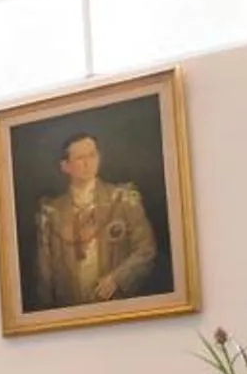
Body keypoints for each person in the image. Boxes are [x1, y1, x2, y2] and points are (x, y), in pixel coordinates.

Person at [31, 130, 161, 308]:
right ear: (65, 166)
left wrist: (117, 279)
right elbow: (45, 275)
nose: (88, 163)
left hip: (117, 308)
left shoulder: (122, 199)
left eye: (92, 155)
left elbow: (146, 250)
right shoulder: (51, 212)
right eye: (80, 158)